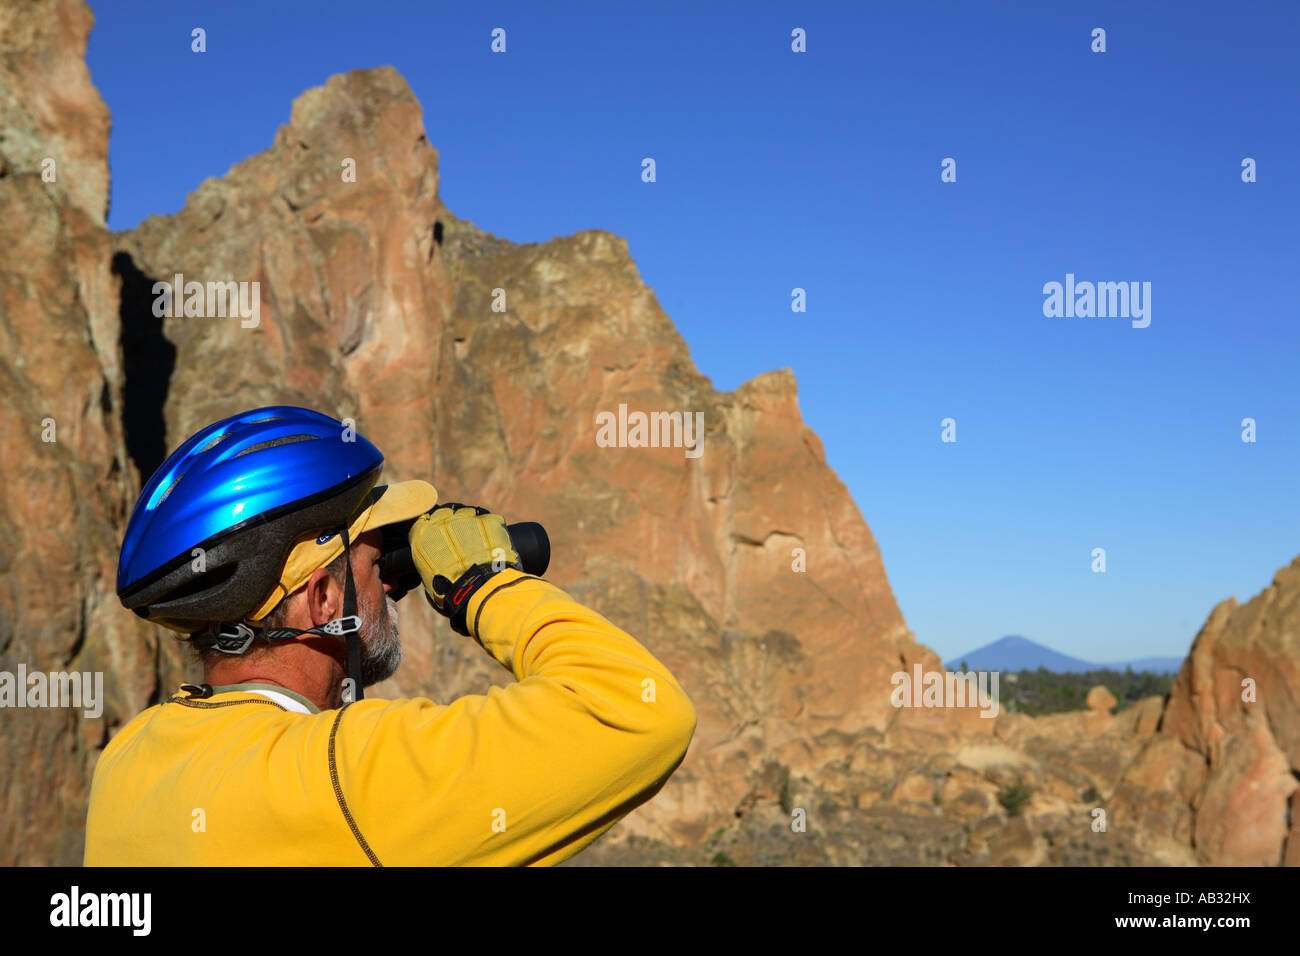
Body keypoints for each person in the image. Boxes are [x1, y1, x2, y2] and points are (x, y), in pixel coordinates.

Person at [85, 405, 696, 865]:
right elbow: (637, 712)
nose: (393, 589)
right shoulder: (345, 780)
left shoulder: (130, 758)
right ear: (323, 598)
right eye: (378, 565)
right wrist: (484, 583)